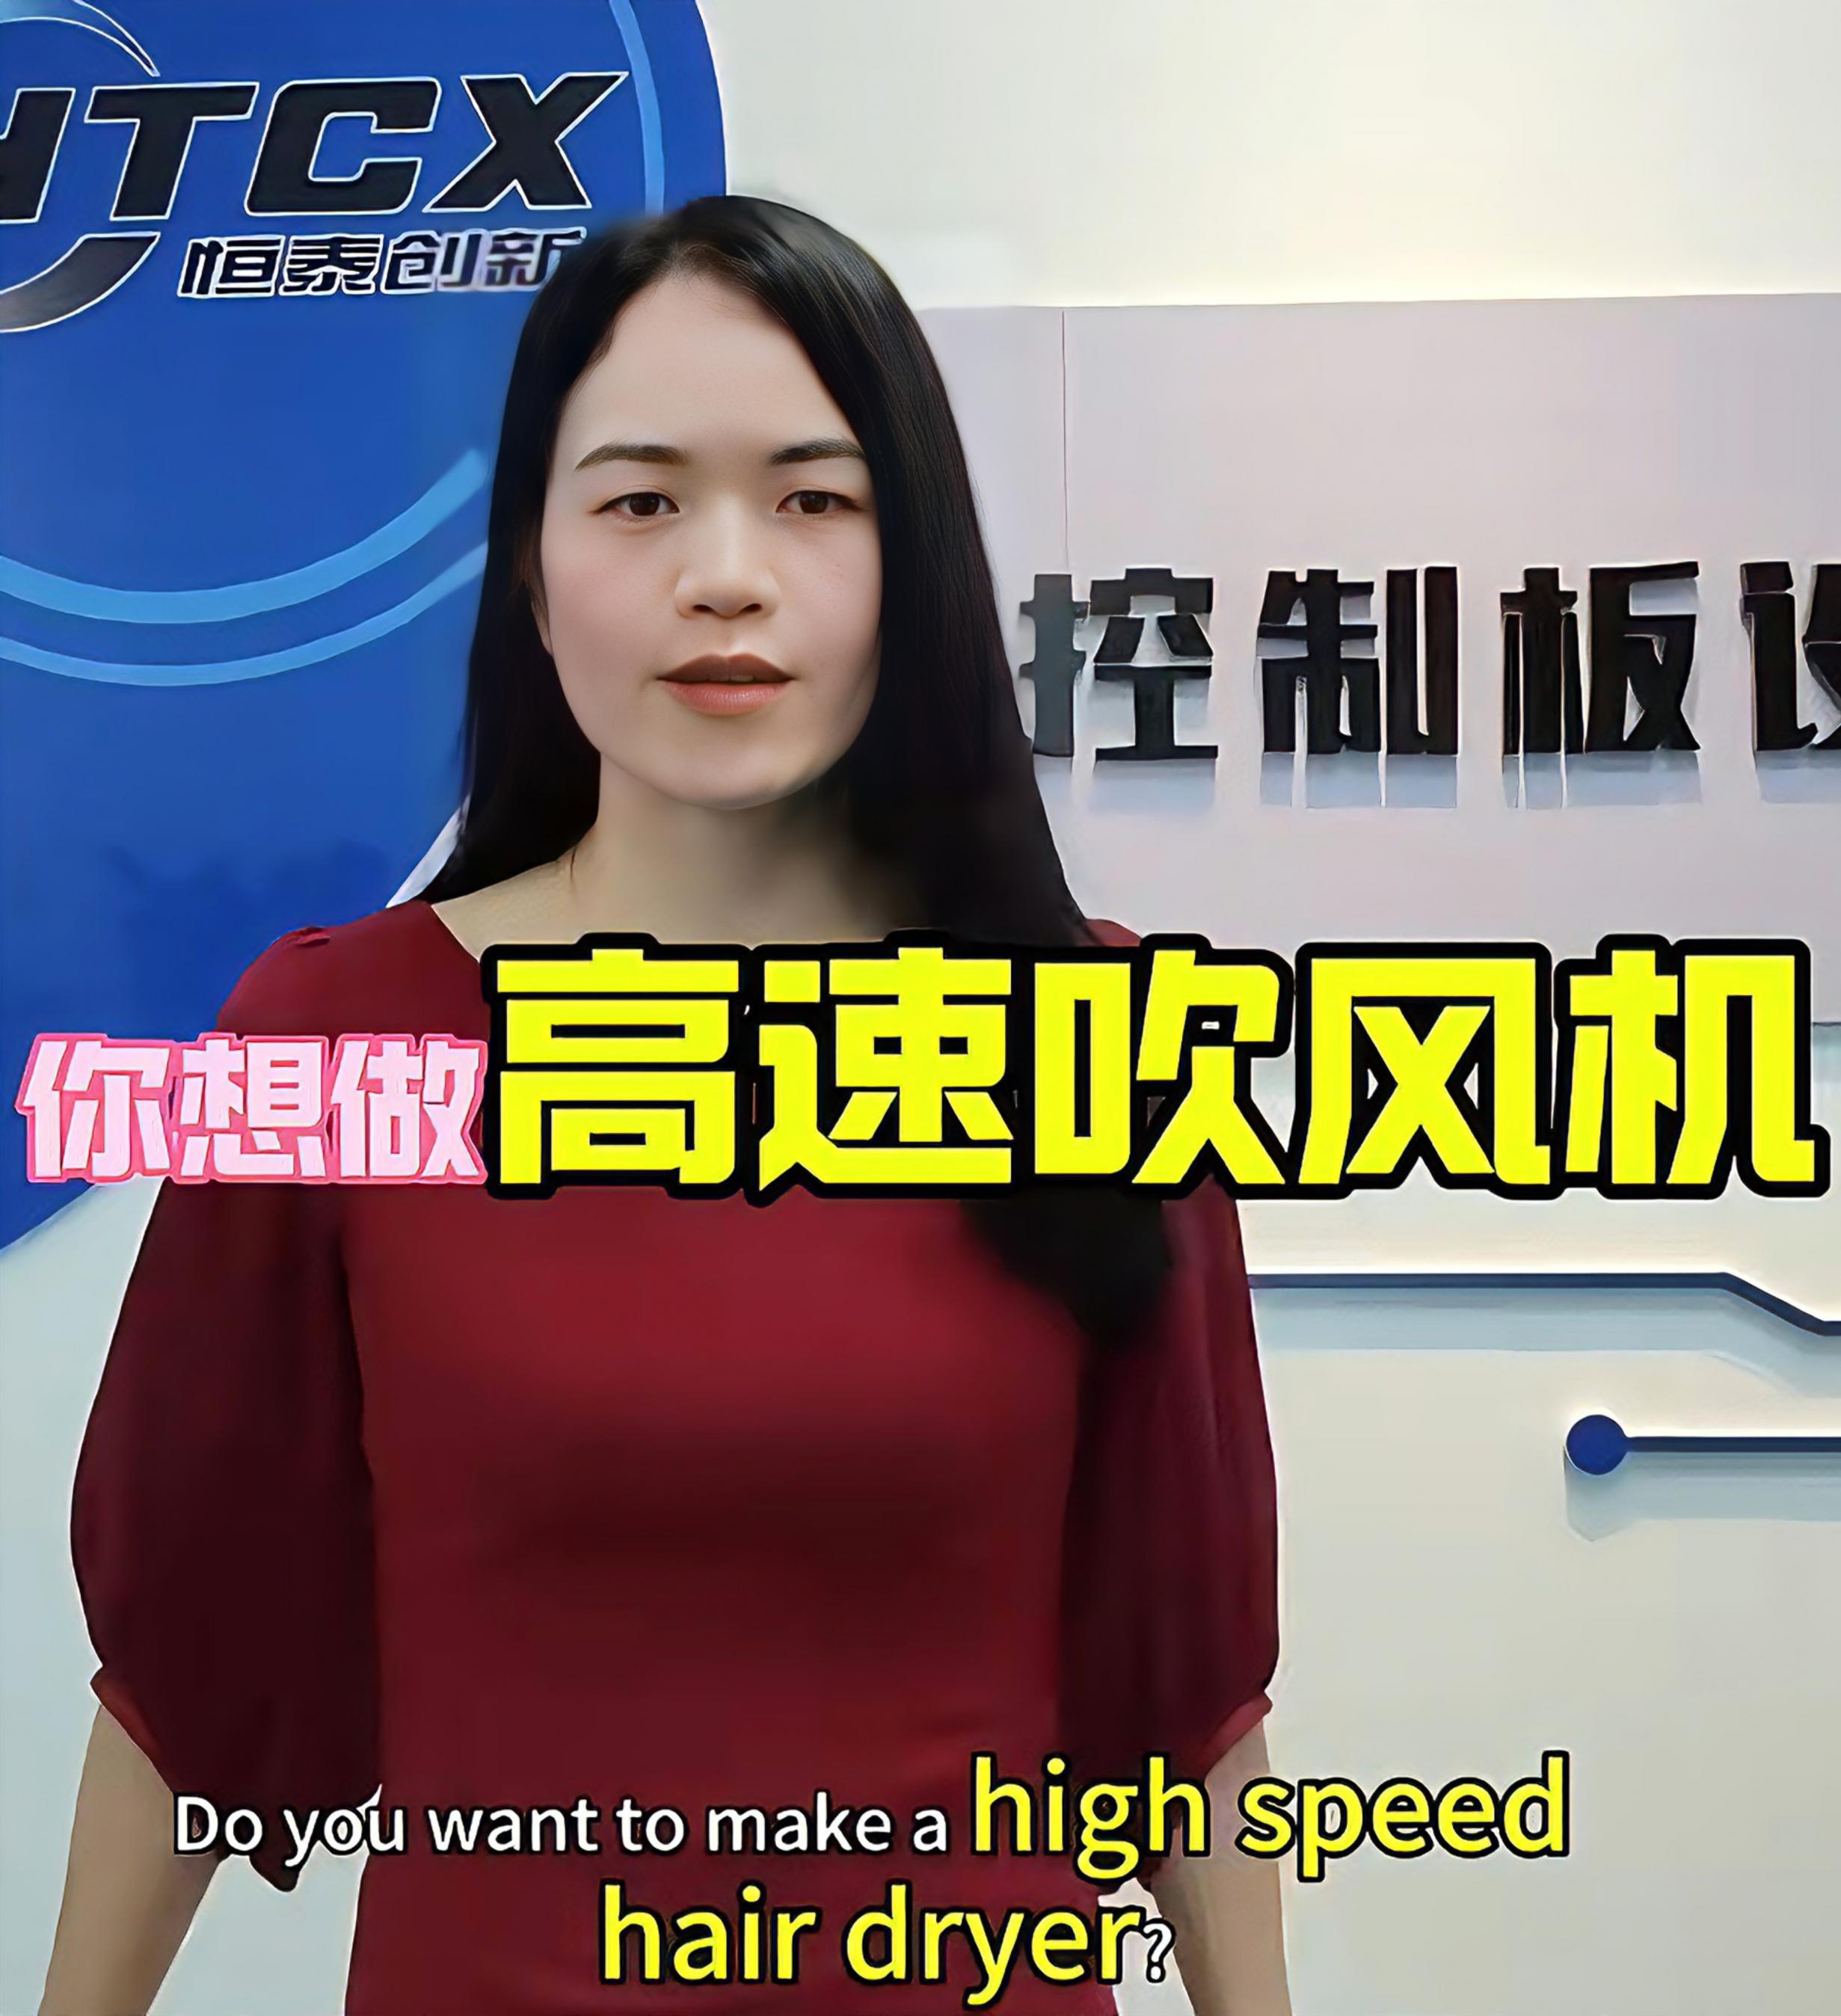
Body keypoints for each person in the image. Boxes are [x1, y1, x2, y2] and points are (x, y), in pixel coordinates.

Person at [40, 196, 1288, 2015]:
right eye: (639, 502)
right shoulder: (333, 1038)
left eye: (812, 500)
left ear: (914, 564)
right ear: (530, 572)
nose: (726, 575)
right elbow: (191, 1666)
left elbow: (1187, 1697)